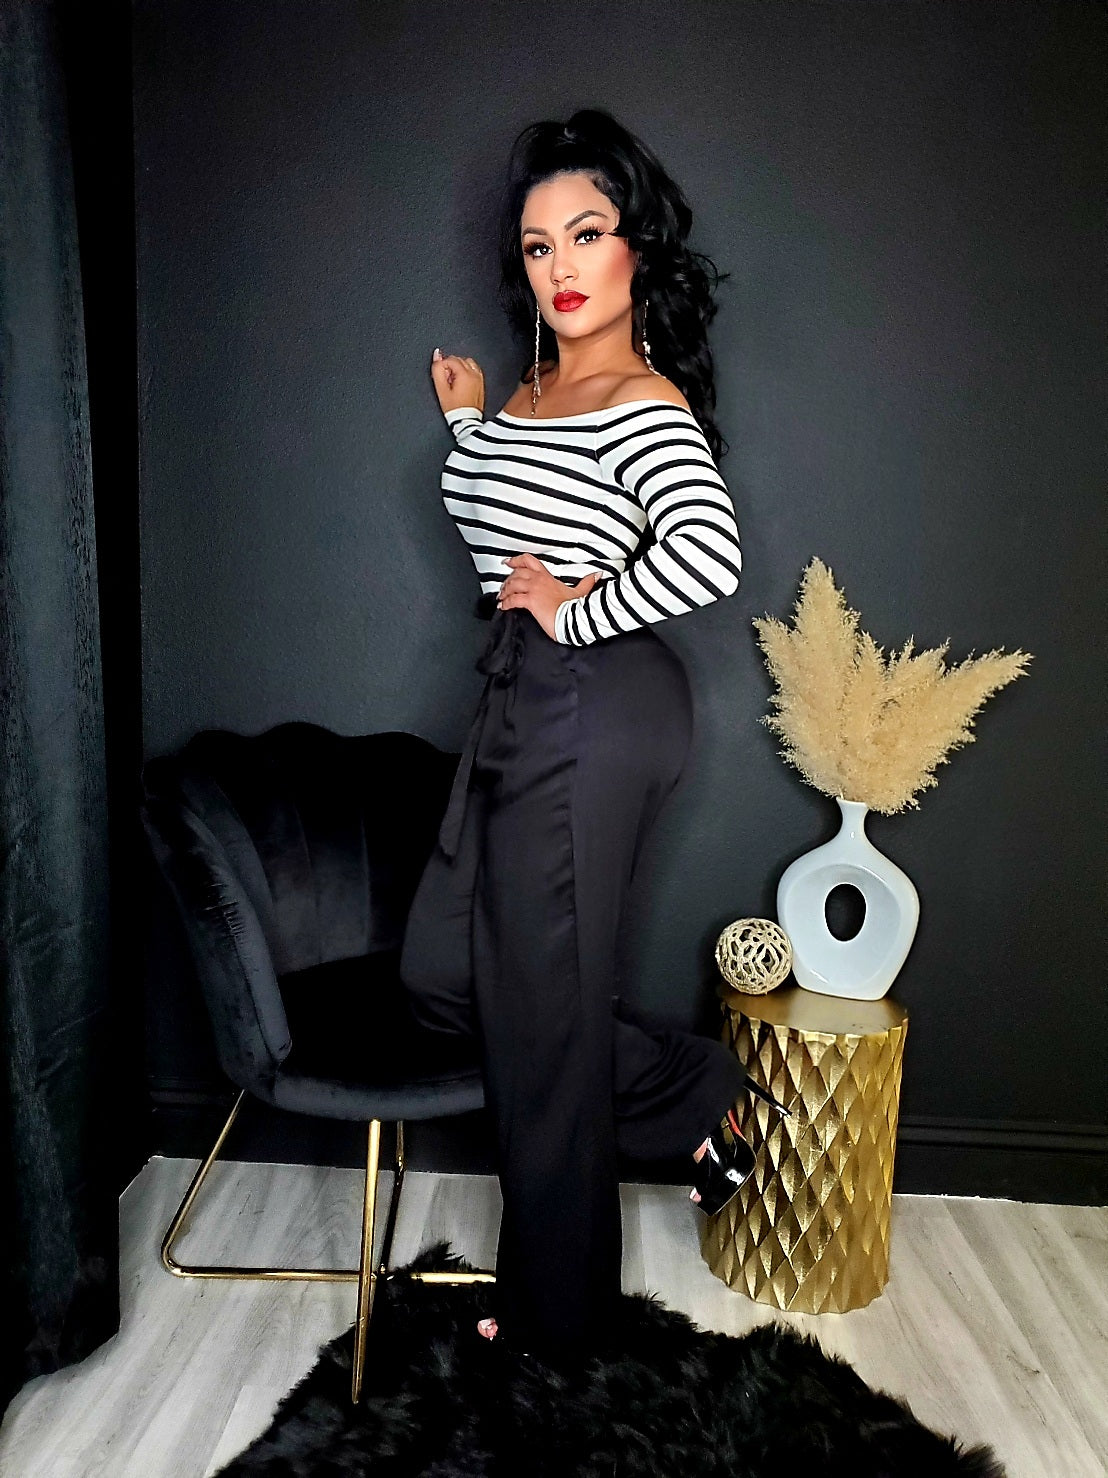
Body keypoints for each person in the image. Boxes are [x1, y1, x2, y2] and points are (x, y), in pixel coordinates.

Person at [399, 108, 787, 1369]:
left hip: (597, 702)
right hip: (526, 695)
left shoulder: (637, 399)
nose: (560, 266)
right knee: (450, 972)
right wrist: (471, 428)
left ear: (635, 250)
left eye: (586, 233)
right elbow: (506, 529)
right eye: (536, 245)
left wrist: (576, 609)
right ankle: (695, 1098)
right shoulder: (530, 390)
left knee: (545, 1009)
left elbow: (708, 556)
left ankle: (557, 1320)